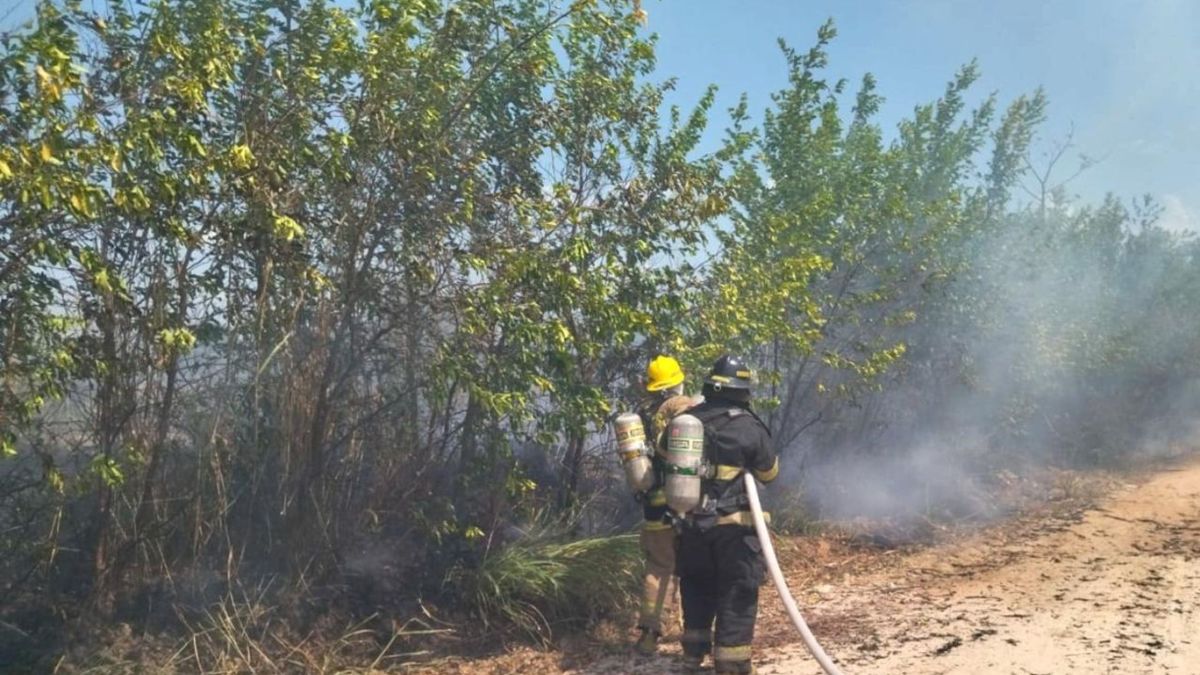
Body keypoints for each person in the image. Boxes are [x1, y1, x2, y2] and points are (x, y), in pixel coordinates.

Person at [675, 355, 778, 674]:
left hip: (691, 526)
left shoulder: (686, 421)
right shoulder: (749, 427)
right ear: (743, 391)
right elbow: (769, 475)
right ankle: (731, 665)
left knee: (696, 587)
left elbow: (667, 459)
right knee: (737, 593)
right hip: (735, 531)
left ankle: (692, 657)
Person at [633, 355, 700, 655]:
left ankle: (649, 634)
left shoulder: (641, 416)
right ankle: (694, 633)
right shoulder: (680, 408)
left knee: (658, 569)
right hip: (684, 504)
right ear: (677, 381)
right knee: (694, 568)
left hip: (653, 508)